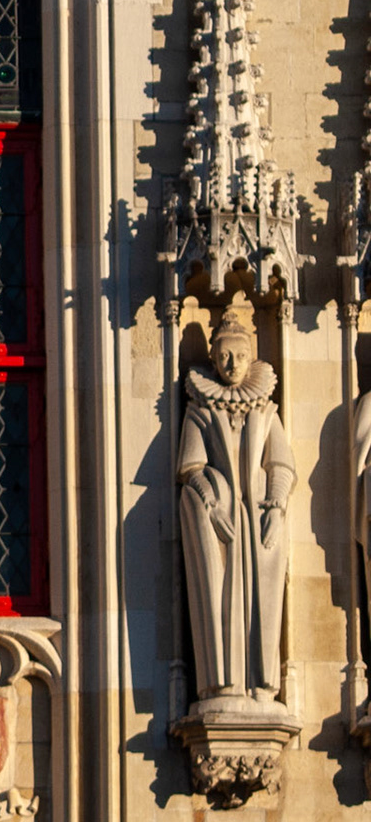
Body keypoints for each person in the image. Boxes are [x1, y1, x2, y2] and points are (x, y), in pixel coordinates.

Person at [177, 291, 293, 703]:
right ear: (213, 357)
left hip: (259, 520)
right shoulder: (200, 409)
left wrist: (276, 506)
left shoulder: (265, 410)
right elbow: (190, 468)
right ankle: (223, 681)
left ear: (251, 359)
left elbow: (281, 465)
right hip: (222, 521)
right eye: (225, 356)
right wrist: (210, 500)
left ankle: (262, 683)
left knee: (263, 595)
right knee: (220, 592)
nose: (232, 365)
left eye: (240, 357)